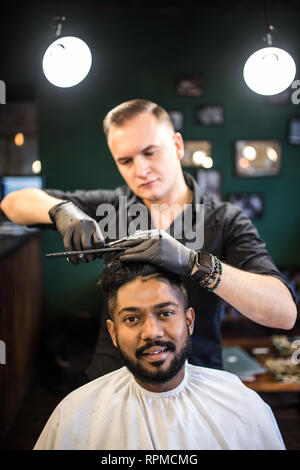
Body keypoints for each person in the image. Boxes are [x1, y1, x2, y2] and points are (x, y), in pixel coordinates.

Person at [0, 99, 297, 378]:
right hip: (114, 378)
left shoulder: (225, 221)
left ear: (177, 145)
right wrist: (59, 210)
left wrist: (193, 262)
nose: (140, 170)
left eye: (150, 152)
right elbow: (12, 203)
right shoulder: (110, 208)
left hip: (196, 381)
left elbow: (283, 313)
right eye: (126, 160)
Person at [33, 260, 285, 450]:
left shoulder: (242, 405)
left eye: (165, 313)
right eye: (132, 319)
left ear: (189, 321)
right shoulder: (75, 414)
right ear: (113, 332)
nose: (151, 332)